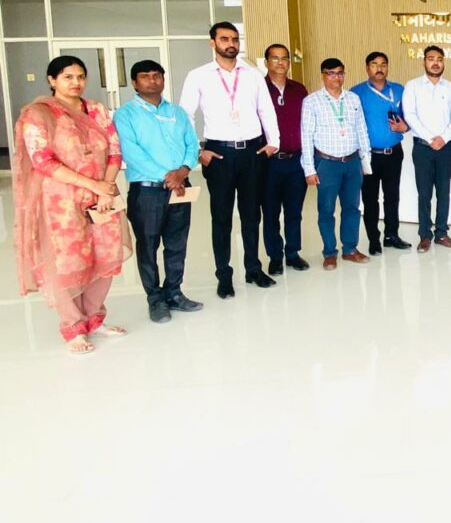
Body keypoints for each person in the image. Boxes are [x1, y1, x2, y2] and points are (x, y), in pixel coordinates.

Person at [14, 56, 131, 354]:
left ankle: (95, 319)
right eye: (67, 77)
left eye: (80, 76)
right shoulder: (39, 115)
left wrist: (105, 189)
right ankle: (73, 327)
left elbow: (114, 151)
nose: (75, 82)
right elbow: (42, 161)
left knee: (106, 254)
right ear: (52, 80)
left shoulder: (98, 110)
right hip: (61, 202)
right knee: (69, 261)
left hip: (103, 196)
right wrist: (94, 185)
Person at [179, 21, 280, 299]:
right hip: (218, 154)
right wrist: (198, 151)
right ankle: (224, 275)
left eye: (235, 39)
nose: (231, 43)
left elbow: (266, 109)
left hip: (253, 152)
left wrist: (273, 143)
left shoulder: (253, 75)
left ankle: (253, 269)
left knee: (252, 215)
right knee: (222, 217)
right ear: (213, 43)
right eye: (224, 39)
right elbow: (185, 115)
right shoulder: (198, 76)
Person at [114, 60, 203, 324]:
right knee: (148, 245)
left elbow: (192, 145)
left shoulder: (177, 112)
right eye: (145, 76)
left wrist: (183, 171)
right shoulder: (125, 115)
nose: (152, 80)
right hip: (147, 192)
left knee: (177, 244)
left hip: (180, 188)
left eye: (157, 75)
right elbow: (131, 153)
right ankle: (155, 299)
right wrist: (169, 177)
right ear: (134, 83)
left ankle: (174, 292)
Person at [301, 58, 373, 267]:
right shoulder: (312, 101)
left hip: (352, 162)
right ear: (323, 75)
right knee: (326, 210)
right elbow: (306, 136)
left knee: (352, 208)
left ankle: (350, 249)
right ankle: (329, 252)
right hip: (327, 163)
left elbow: (361, 129)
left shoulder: (353, 99)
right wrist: (309, 169)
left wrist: (365, 161)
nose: (336, 77)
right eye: (331, 73)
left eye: (340, 73)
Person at [403, 46, 451, 253]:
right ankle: (424, 235)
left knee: (444, 192)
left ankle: (441, 233)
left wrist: (443, 138)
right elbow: (410, 115)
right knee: (424, 193)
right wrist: (430, 139)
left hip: (445, 148)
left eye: (439, 59)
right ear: (424, 62)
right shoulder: (412, 86)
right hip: (423, 148)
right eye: (431, 59)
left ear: (443, 62)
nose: (435, 63)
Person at [351, 52, 412, 255]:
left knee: (392, 196)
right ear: (367, 68)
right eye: (374, 64)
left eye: (383, 64)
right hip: (368, 155)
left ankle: (391, 235)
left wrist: (406, 127)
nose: (379, 68)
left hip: (394, 152)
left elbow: (411, 117)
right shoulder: (356, 93)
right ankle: (373, 240)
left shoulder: (399, 90)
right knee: (370, 199)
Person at [262, 43, 310, 275]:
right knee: (271, 212)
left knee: (294, 211)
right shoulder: (258, 88)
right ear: (266, 62)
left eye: (284, 58)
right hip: (269, 163)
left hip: (296, 161)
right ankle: (275, 256)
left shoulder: (299, 89)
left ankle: (292, 253)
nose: (281, 63)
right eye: (275, 58)